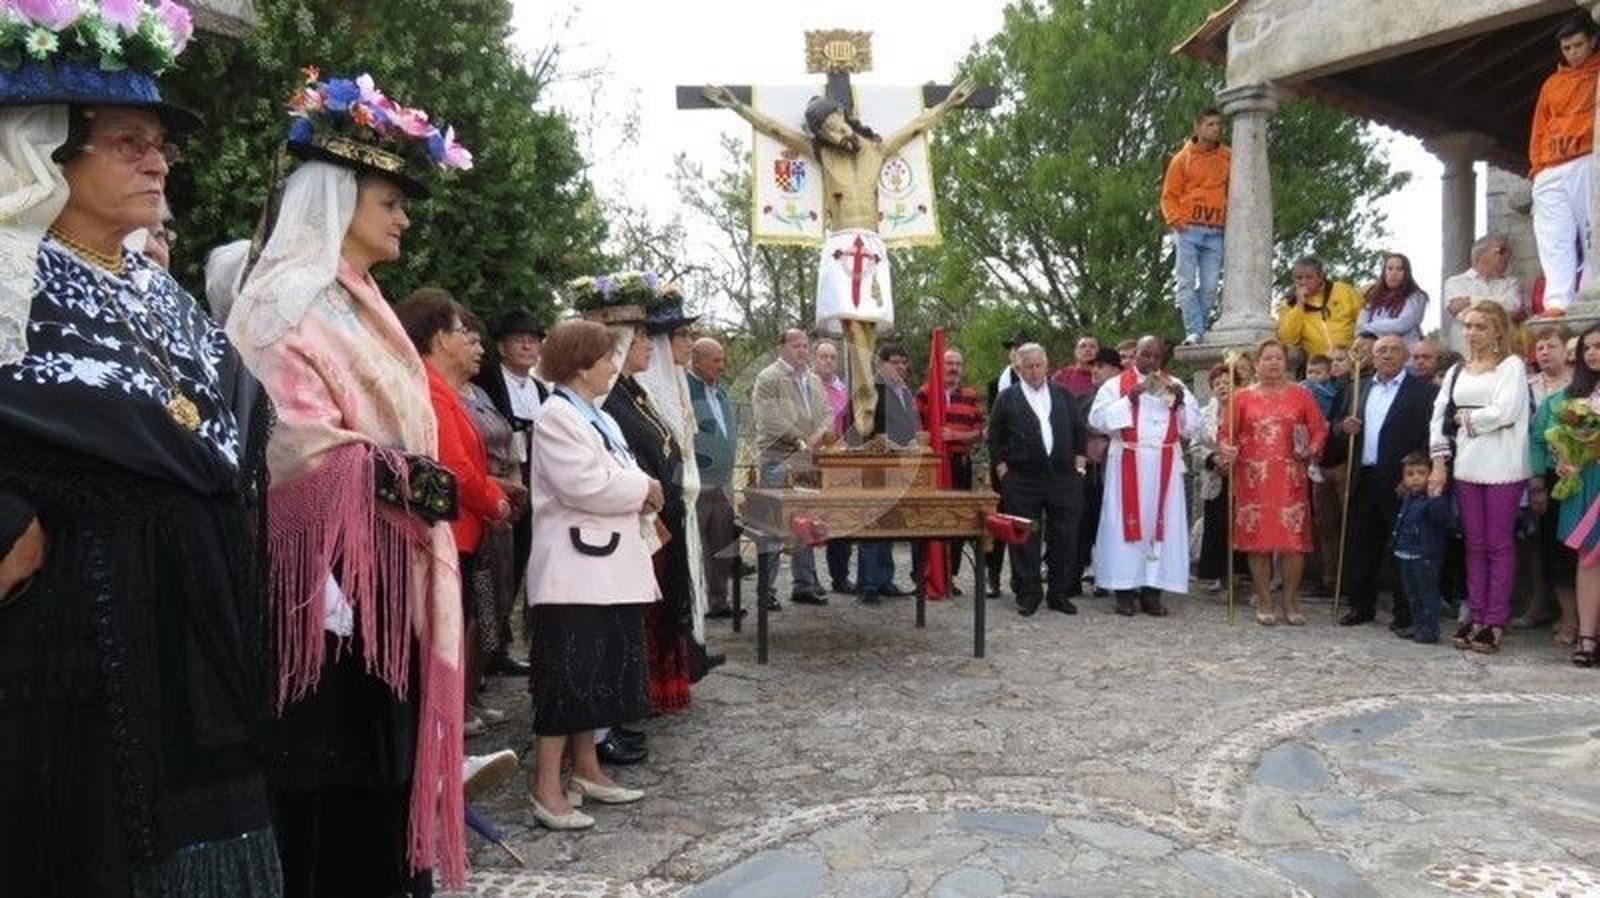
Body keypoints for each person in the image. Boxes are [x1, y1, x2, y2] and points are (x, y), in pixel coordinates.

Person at [0, 24, 285, 895]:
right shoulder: (8, 272)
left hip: (191, 624)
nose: (158, 162)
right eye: (129, 142)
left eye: (161, 145)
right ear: (45, 147)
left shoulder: (154, 284)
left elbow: (229, 422)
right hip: (73, 633)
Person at [227, 71, 475, 894]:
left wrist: (407, 480)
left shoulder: (361, 297)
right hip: (322, 589)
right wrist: (402, 478)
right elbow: (285, 441)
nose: (403, 218)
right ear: (337, 199)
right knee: (329, 781)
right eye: (389, 202)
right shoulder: (284, 300)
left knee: (380, 767)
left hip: (386, 571)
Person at [524, 320, 660, 831]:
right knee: (567, 679)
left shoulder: (597, 417)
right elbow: (584, 484)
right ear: (582, 365)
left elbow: (618, 472)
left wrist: (638, 484)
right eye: (605, 358)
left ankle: (587, 769)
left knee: (596, 675)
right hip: (574, 571)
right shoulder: (556, 416)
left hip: (607, 568)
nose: (611, 367)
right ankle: (546, 788)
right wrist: (642, 488)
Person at [394, 291, 517, 735]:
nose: (475, 345)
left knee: (486, 609)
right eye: (465, 334)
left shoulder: (472, 393)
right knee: (460, 619)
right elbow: (455, 468)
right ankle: (453, 709)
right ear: (440, 337)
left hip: (481, 521)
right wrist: (495, 498)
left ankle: (469, 696)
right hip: (463, 523)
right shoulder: (432, 390)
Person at [603, 313, 702, 714]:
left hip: (661, 514)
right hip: (639, 518)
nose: (648, 345)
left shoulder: (635, 392)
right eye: (640, 338)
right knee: (645, 608)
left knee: (661, 601)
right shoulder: (612, 399)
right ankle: (638, 691)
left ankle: (660, 686)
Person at [1428, 301, 1531, 654]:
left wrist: (1468, 419)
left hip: (1503, 464)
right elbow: (1440, 414)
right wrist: (1439, 460)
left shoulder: (1511, 366)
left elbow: (1507, 410)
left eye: (1480, 326)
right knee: (1473, 542)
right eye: (1468, 326)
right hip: (1467, 464)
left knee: (1498, 543)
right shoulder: (1457, 371)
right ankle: (1475, 613)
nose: (1471, 333)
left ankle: (1495, 619)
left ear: (1498, 331)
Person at [1325, 335, 1438, 627]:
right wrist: (1342, 429)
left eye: (1393, 350)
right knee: (1361, 545)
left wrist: (1416, 475)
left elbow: (1430, 436)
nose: (1387, 355)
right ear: (1372, 357)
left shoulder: (1423, 391)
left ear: (1405, 356)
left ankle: (1405, 612)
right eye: (1381, 351)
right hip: (1362, 476)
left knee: (1403, 547)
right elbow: (1334, 429)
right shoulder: (1357, 388)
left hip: (1401, 480)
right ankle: (1361, 606)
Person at [1217, 339, 1329, 626]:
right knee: (1259, 541)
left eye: (1278, 358)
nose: (1273, 363)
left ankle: (1290, 600)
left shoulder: (1301, 395)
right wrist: (1227, 449)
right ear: (1256, 364)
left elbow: (1318, 429)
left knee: (1293, 542)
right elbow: (1226, 433)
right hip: (1253, 477)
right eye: (1267, 358)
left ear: (1286, 362)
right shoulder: (1241, 397)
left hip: (1290, 476)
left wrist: (1310, 449)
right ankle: (1264, 599)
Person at [1088, 335, 1202, 616]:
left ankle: (1153, 591)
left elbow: (1193, 428)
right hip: (1128, 460)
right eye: (1145, 354)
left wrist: (1180, 405)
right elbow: (1096, 420)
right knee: (1124, 526)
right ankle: (1124, 591)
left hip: (1164, 464)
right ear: (1134, 354)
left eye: (1156, 356)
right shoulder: (1115, 385)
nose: (1151, 361)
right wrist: (1129, 399)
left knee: (1160, 528)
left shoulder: (1174, 385)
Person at [471, 307, 548, 675]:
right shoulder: (484, 382)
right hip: (495, 483)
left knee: (517, 566)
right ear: (501, 347)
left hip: (532, 486)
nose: (527, 346)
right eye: (520, 340)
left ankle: (499, 647)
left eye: (533, 341)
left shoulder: (540, 389)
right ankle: (480, 654)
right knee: (487, 574)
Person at [988, 343, 1090, 616]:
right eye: (1028, 366)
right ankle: (1028, 593)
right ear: (1018, 368)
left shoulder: (1063, 395)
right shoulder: (1006, 398)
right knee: (1025, 537)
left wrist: (1080, 465)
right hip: (1022, 479)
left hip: (1064, 477)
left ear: (1046, 366)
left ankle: (1059, 593)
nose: (1034, 371)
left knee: (1065, 536)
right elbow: (995, 437)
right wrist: (1003, 471)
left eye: (1038, 365)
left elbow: (1080, 431)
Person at [1529, 325, 1600, 664]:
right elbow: (1547, 440)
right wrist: (1565, 460)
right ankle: (1586, 637)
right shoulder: (1568, 398)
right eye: (1587, 348)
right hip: (1585, 485)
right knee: (1588, 558)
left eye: (1599, 346)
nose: (1592, 353)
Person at [753, 327, 832, 608]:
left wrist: (819, 436)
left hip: (807, 461)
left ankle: (804, 585)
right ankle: (766, 590)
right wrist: (801, 439)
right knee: (774, 524)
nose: (802, 350)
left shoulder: (813, 380)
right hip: (777, 459)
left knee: (806, 522)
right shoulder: (768, 378)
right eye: (796, 345)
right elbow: (770, 418)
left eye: (805, 345)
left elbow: (827, 413)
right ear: (782, 348)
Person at [1530, 15, 1600, 317]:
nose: (1572, 52)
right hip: (1550, 165)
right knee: (1552, 236)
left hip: (1586, 157)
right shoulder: (1552, 83)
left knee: (1592, 230)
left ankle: (1590, 292)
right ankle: (1557, 301)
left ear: (1593, 41)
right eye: (1566, 48)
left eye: (1578, 45)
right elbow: (1540, 127)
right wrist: (1537, 167)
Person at [850, 344, 920, 604]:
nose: (901, 367)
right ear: (881, 364)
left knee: (889, 523)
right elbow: (859, 429)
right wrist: (880, 441)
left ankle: (884, 580)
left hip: (899, 468)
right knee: (872, 525)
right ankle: (867, 584)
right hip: (874, 467)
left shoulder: (905, 391)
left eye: (904, 362)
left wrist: (913, 441)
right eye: (895, 362)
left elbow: (910, 424)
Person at [1522, 324, 1578, 642]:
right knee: (1553, 548)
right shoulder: (1545, 397)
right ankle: (1564, 616)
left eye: (1551, 346)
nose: (1544, 352)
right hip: (1554, 478)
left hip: (1590, 479)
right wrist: (1537, 482)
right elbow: (1537, 440)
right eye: (1539, 347)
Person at [915, 347, 985, 595]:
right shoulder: (925, 393)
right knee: (925, 518)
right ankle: (922, 576)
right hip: (931, 467)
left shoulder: (970, 396)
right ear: (939, 366)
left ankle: (949, 576)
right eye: (949, 363)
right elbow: (913, 428)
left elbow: (980, 432)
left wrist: (956, 435)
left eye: (958, 364)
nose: (954, 368)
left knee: (956, 519)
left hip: (959, 463)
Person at [1161, 106, 1230, 345]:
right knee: (1186, 282)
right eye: (1210, 124)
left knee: (1210, 286)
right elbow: (1169, 194)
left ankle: (1199, 330)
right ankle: (1195, 331)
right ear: (1198, 127)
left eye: (1218, 124)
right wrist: (1176, 220)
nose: (1216, 129)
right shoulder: (1182, 159)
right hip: (1189, 228)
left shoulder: (1227, 156)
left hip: (1215, 230)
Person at [688, 337, 740, 619]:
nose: (722, 366)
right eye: (716, 360)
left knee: (722, 546)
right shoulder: (685, 388)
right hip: (698, 484)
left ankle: (719, 602)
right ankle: (696, 603)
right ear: (696, 361)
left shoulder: (721, 391)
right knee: (697, 547)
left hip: (724, 483)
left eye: (723, 359)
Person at [983, 330, 1034, 597]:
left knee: (1025, 521)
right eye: (1014, 348)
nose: (1017, 353)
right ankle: (992, 576)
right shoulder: (997, 384)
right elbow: (994, 428)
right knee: (999, 517)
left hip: (1031, 464)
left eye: (1023, 348)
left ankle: (1021, 577)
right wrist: (999, 462)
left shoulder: (1040, 382)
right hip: (1004, 462)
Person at [1393, 453, 1459, 644]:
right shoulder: (1409, 497)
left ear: (1431, 475)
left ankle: (1430, 629)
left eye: (1421, 473)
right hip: (1406, 552)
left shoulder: (1436, 499)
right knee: (1412, 595)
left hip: (1426, 555)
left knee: (1428, 594)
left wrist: (1435, 498)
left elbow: (1445, 522)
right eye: (1410, 474)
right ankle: (1418, 624)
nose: (1415, 478)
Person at [1078, 347, 1125, 595]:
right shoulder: (1083, 400)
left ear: (1116, 370)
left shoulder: (1126, 398)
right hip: (1087, 470)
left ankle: (1111, 574)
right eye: (1093, 367)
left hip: (1116, 468)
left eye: (1101, 366)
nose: (1094, 371)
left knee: (1112, 523)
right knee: (1084, 521)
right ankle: (1081, 570)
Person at [1193, 362, 1240, 589]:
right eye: (1217, 383)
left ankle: (1241, 575)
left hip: (1241, 476)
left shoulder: (1246, 411)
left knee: (1239, 527)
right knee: (1216, 527)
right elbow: (1195, 446)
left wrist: (1233, 460)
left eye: (1227, 382)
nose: (1222, 386)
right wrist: (1213, 459)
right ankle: (1220, 575)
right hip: (1215, 478)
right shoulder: (1205, 415)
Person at [815, 338, 855, 593]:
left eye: (832, 357)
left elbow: (851, 427)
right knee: (809, 519)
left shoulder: (844, 391)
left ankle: (840, 577)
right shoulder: (806, 386)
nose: (828, 361)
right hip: (811, 460)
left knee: (840, 517)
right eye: (823, 356)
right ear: (815, 359)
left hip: (838, 463)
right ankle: (807, 581)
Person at [1440, 235, 1520, 354]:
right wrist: (1498, 307)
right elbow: (1456, 308)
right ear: (1482, 254)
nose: (1508, 254)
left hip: (1500, 352)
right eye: (1502, 250)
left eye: (1509, 250)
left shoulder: (1511, 283)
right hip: (1466, 352)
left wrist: (1470, 300)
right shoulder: (1455, 282)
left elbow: (1513, 307)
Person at [1276, 256, 1364, 357]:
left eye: (1309, 277)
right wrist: (1299, 305)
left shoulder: (1343, 290)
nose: (1304, 282)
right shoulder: (1288, 303)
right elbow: (1287, 339)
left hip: (1350, 356)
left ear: (1320, 277)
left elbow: (1363, 318)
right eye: (1299, 278)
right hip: (1320, 361)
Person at [1355, 253, 1428, 346]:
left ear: (1406, 273)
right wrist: (1367, 329)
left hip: (1405, 350)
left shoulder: (1417, 297)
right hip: (1375, 350)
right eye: (1390, 268)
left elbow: (1401, 325)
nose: (1394, 273)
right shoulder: (1374, 296)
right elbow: (1360, 326)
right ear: (1384, 272)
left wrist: (1368, 328)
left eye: (1399, 269)